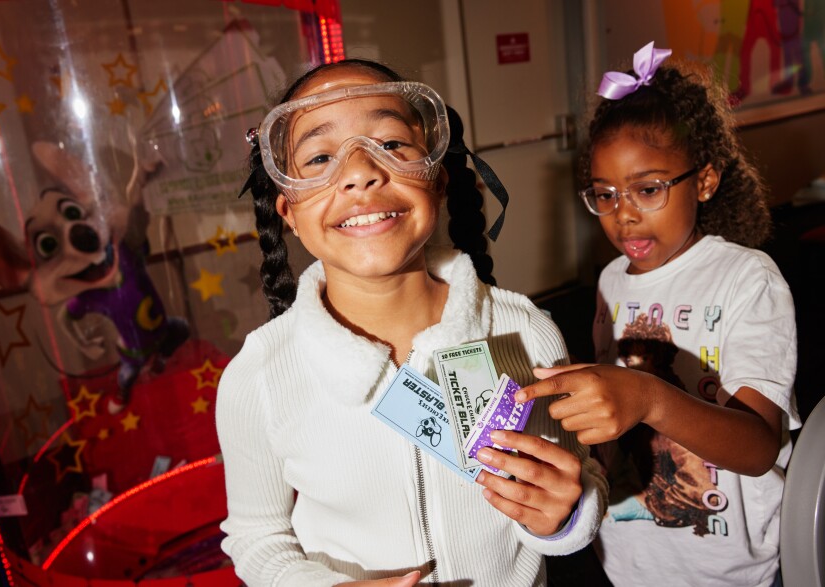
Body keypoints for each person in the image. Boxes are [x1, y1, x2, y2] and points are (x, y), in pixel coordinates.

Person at [215, 58, 606, 587]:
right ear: (290, 213)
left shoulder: (525, 333)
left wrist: (566, 515)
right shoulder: (259, 376)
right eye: (321, 157)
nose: (359, 172)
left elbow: (578, 472)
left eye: (392, 143)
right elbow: (257, 538)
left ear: (437, 181)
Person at [520, 43, 800, 586]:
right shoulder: (610, 280)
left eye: (647, 189)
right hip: (629, 559)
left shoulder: (747, 279)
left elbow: (760, 447)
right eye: (604, 194)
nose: (623, 215)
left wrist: (648, 397)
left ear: (705, 180)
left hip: (725, 569)